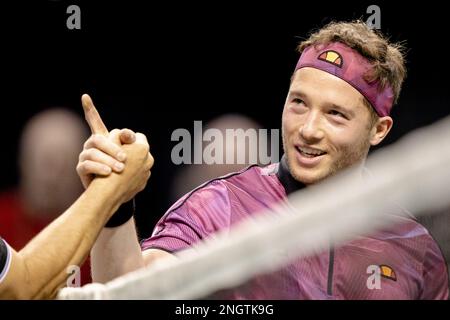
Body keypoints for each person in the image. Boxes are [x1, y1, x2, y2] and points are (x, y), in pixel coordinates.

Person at [77, 21, 449, 299]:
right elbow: (131, 289)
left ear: (379, 130)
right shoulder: (219, 204)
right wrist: (114, 203)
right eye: (299, 103)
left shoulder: (414, 247)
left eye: (335, 114)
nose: (308, 129)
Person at [0, 94, 153, 299]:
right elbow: (21, 286)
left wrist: (113, 196)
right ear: (22, 163)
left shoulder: (99, 231)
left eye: (62, 164)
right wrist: (112, 184)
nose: (52, 176)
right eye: (46, 162)